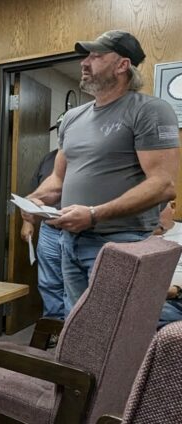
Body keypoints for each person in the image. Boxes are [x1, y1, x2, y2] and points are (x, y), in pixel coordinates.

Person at [25, 30, 180, 314]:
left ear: (122, 65)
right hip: (69, 241)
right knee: (79, 323)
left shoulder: (151, 110)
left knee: (111, 330)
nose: (85, 62)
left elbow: (163, 184)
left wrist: (94, 214)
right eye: (86, 56)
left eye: (96, 56)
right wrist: (33, 200)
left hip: (120, 242)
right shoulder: (73, 118)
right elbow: (58, 180)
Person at [21, 148, 66, 320]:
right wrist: (27, 222)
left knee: (74, 284)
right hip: (49, 230)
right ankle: (54, 325)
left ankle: (73, 332)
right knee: (49, 282)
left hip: (78, 230)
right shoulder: (48, 158)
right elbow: (35, 192)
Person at [154, 201, 182, 329]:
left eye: (158, 208)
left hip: (176, 299)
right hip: (143, 298)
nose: (152, 215)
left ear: (173, 207)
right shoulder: (131, 237)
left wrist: (176, 289)